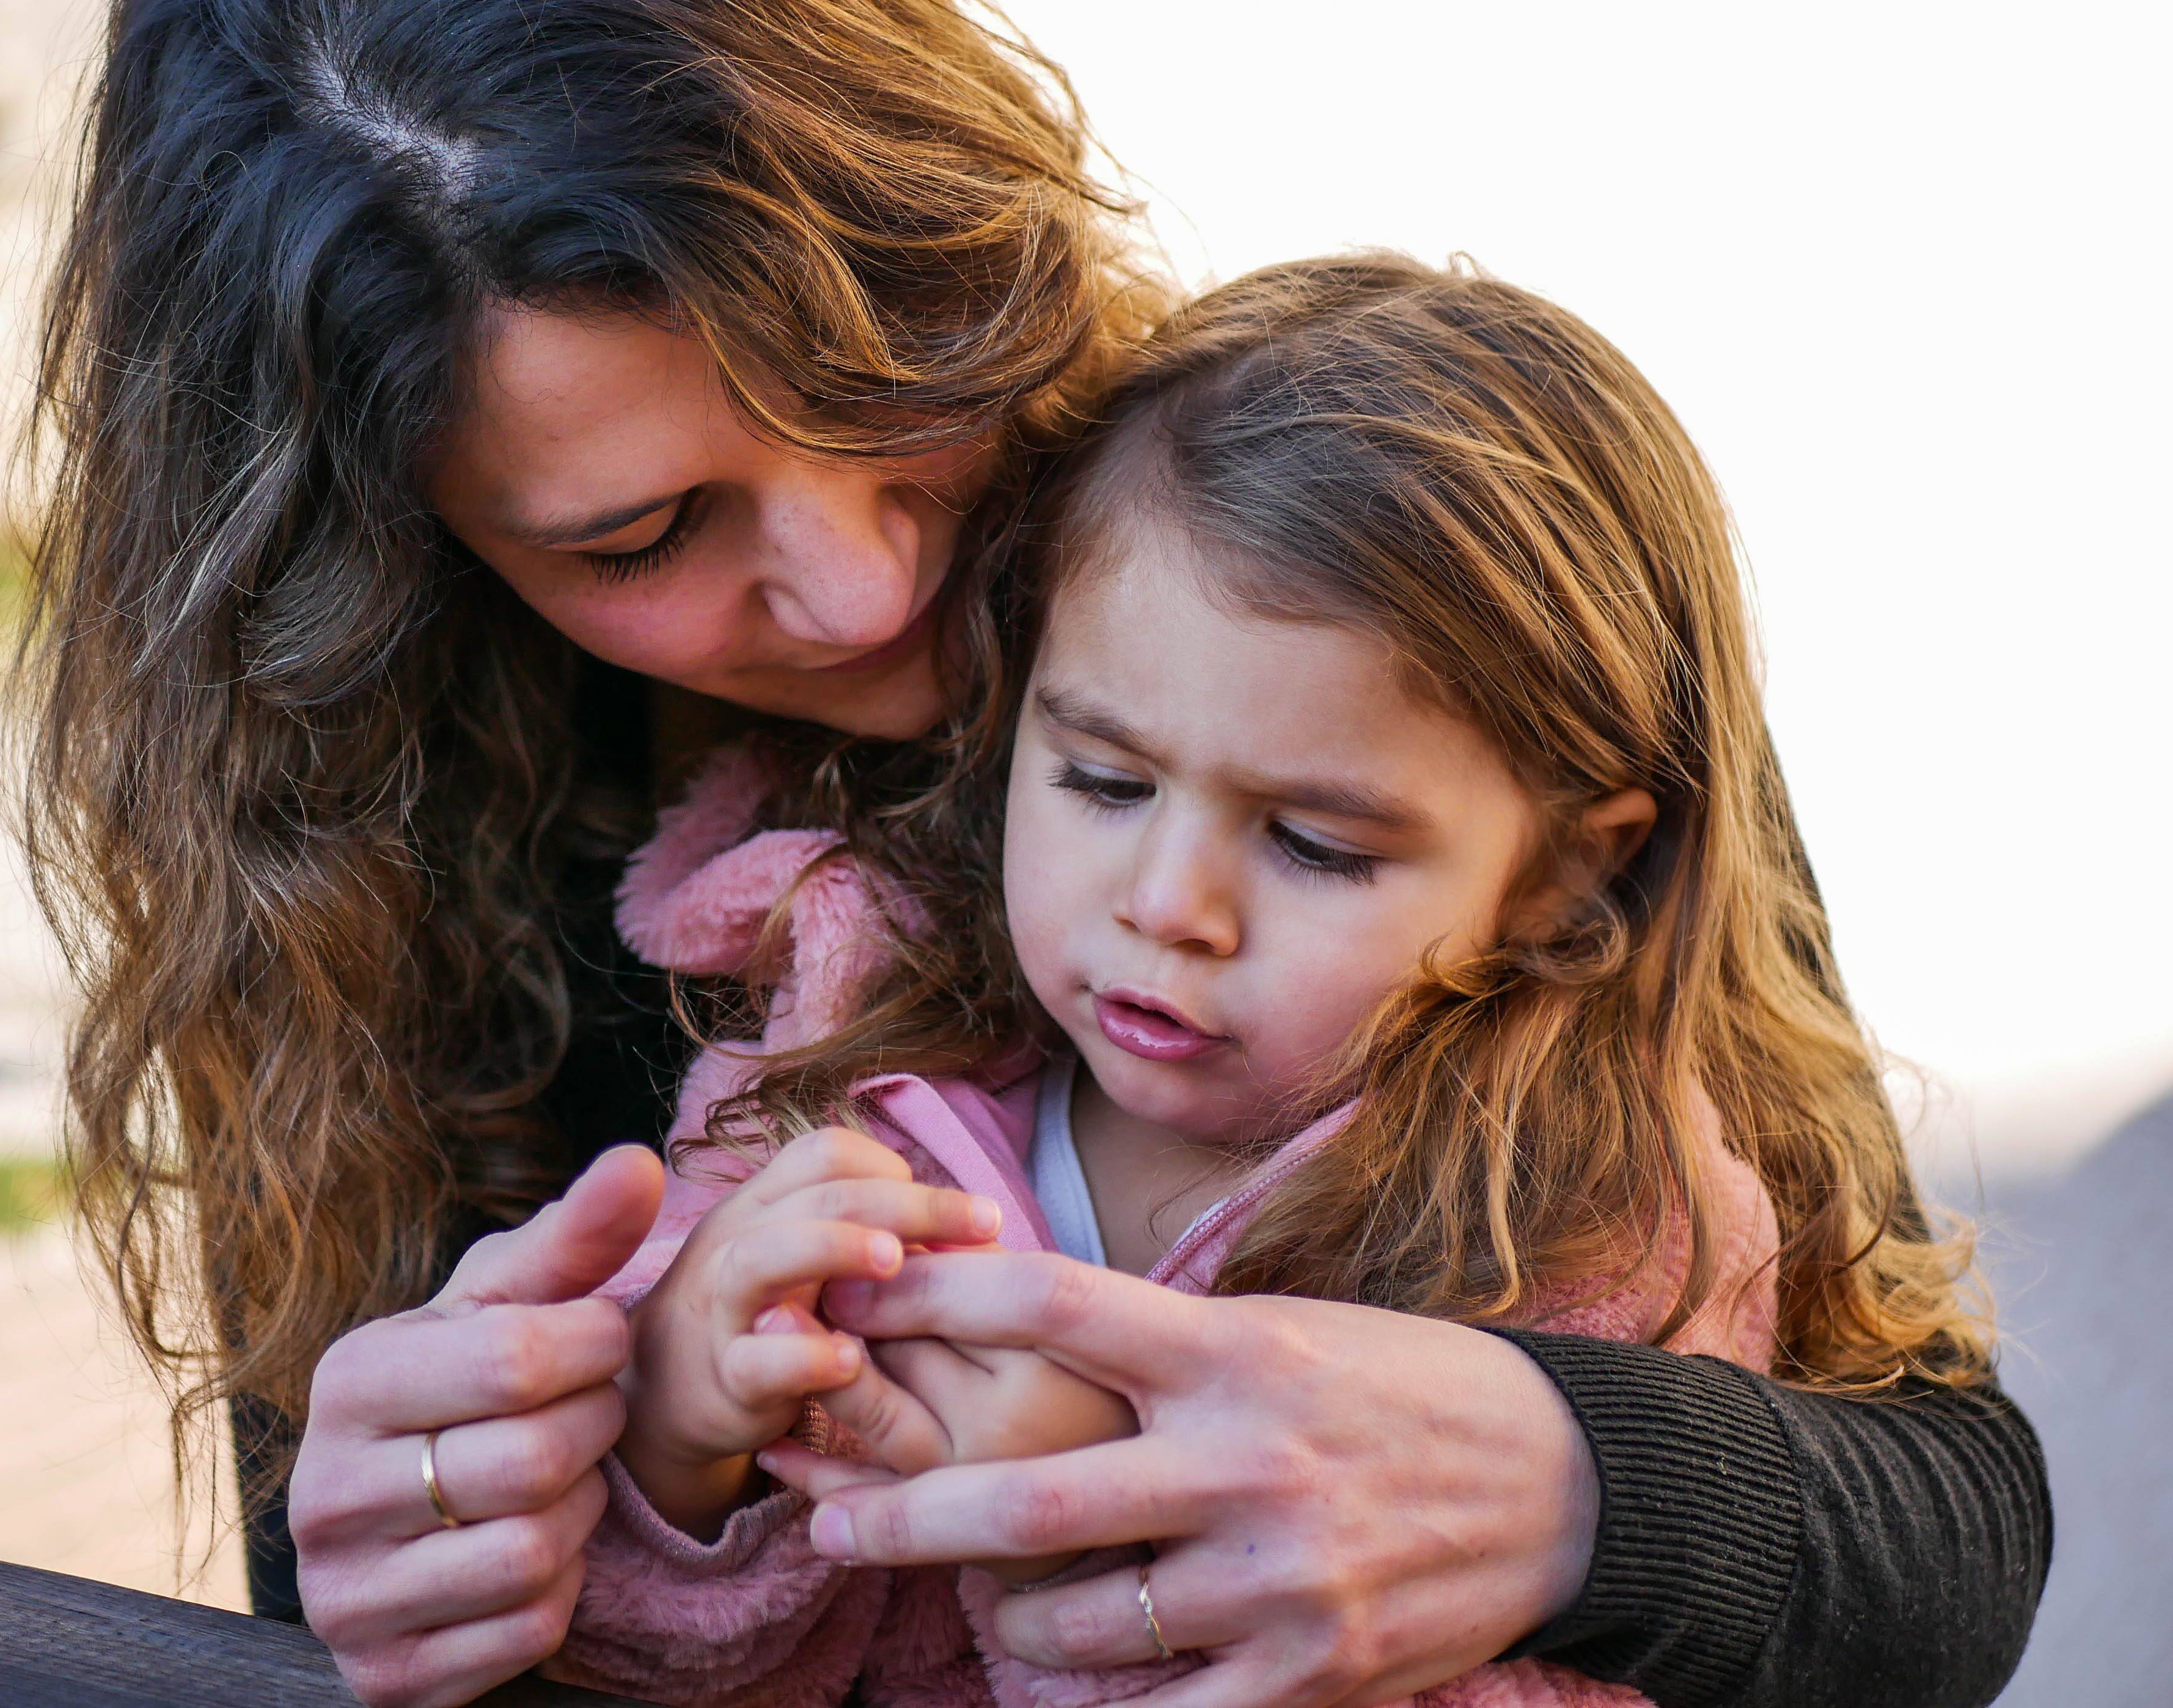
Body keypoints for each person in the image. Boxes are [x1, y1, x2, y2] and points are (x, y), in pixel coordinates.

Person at [13, 0, 2050, 1706]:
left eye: (881, 364)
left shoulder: (1397, 606)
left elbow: (1953, 1529)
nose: (859, 575)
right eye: (640, 540)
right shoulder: (360, 844)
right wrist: (448, 1542)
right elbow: (368, 1604)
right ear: (388, 559)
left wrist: (1586, 1481)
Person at [545, 255, 1986, 1708]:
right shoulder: (838, 1034)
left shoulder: (1590, 1218)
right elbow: (642, 1653)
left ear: (1556, 871)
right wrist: (677, 1431)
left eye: (1314, 842)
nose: (1169, 905)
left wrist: (1101, 1528)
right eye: (1102, 778)